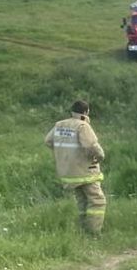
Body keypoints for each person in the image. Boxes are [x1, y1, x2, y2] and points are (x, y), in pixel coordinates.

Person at [45, 100, 106, 235]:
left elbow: (48, 141)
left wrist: (64, 154)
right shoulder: (82, 126)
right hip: (85, 171)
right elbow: (91, 146)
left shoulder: (59, 125)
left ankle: (83, 230)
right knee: (97, 201)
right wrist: (101, 156)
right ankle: (94, 232)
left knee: (82, 201)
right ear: (86, 112)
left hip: (68, 172)